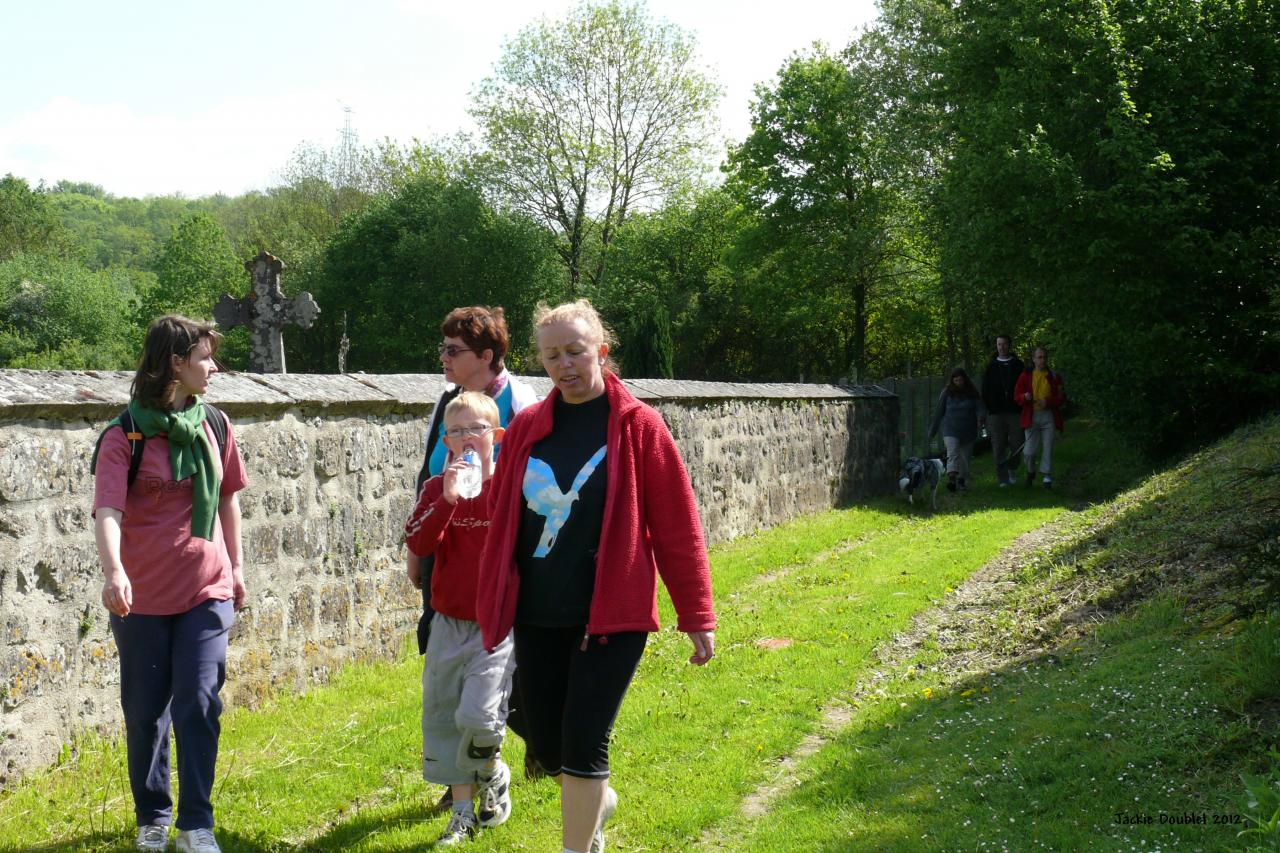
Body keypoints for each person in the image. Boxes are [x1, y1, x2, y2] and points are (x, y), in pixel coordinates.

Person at [476, 298, 717, 853]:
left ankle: (576, 846)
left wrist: (696, 613)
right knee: (547, 744)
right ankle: (598, 802)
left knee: (585, 742)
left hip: (610, 613)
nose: (564, 364)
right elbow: (501, 514)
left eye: (575, 351)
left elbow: (677, 527)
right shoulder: (527, 428)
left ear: (601, 352)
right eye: (552, 355)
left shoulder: (639, 427)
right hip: (538, 611)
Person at [90, 316, 248, 853]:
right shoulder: (124, 436)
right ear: (176, 364)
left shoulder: (215, 425)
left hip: (207, 587)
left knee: (199, 703)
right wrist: (115, 571)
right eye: (205, 357)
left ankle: (196, 823)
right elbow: (108, 510)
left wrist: (237, 568)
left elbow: (227, 498)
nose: (214, 367)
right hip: (143, 598)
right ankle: (153, 817)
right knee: (144, 713)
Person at [407, 306, 539, 813]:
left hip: (499, 564)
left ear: (485, 356)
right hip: (448, 541)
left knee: (508, 668)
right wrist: (416, 555)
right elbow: (428, 473)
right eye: (443, 348)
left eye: (453, 350)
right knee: (447, 663)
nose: (443, 357)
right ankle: (461, 777)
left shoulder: (520, 402)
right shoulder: (447, 402)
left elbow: (532, 483)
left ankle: (533, 745)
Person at [405, 392, 516, 846]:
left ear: (497, 436)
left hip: (494, 623)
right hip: (448, 621)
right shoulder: (437, 489)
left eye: (477, 429)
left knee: (480, 717)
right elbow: (418, 543)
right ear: (446, 442)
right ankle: (462, 813)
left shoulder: (509, 487)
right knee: (445, 717)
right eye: (457, 431)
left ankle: (492, 769)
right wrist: (448, 500)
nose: (468, 438)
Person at [1014, 346, 1067, 488]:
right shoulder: (1025, 376)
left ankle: (1047, 476)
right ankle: (1030, 471)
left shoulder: (1054, 376)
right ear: (1033, 359)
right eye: (1039, 357)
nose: (1042, 360)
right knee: (1028, 452)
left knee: (1048, 446)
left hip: (1048, 416)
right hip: (1031, 416)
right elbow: (1017, 396)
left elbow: (1061, 398)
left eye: (1044, 357)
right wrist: (1025, 396)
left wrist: (1048, 402)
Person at [928, 367, 987, 492]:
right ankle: (952, 478)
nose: (958, 383)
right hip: (950, 428)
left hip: (968, 429)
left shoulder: (972, 393)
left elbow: (980, 407)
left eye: (960, 380)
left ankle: (961, 480)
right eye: (956, 380)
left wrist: (980, 418)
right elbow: (939, 412)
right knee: (952, 453)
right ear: (952, 381)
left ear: (965, 380)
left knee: (965, 457)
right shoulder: (947, 393)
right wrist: (933, 431)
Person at [981, 335, 1025, 486]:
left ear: (1009, 345)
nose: (1002, 347)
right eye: (999, 344)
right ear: (996, 346)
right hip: (996, 412)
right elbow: (985, 389)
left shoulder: (1018, 365)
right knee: (998, 444)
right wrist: (989, 406)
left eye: (1004, 344)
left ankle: (1012, 467)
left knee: (1017, 442)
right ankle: (1002, 477)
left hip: (1015, 410)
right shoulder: (991, 366)